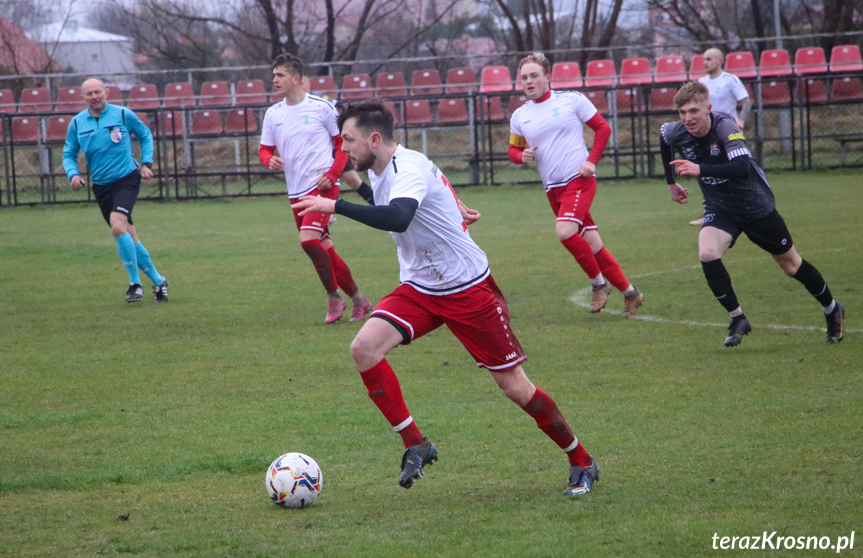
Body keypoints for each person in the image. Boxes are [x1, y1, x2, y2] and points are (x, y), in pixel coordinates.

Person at [292, 98, 600, 497]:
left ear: (373, 138)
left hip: (468, 291)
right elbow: (419, 189)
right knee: (364, 348)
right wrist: (453, 203)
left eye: (348, 140)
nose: (343, 149)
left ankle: (582, 460)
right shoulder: (387, 169)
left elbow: (399, 215)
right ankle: (415, 443)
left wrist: (334, 204)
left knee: (515, 388)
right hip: (421, 288)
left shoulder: (409, 166)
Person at [660, 81, 844, 346]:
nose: (687, 118)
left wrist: (700, 169)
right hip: (720, 208)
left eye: (693, 111)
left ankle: (832, 308)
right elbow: (664, 139)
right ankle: (738, 318)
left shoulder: (726, 127)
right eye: (682, 112)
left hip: (756, 207)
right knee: (708, 253)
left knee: (791, 265)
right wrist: (671, 183)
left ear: (708, 108)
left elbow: (742, 168)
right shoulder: (675, 130)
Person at [508, 52, 643, 317]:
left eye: (534, 75)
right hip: (553, 189)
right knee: (593, 245)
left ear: (548, 77)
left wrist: (591, 161)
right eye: (524, 77)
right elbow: (513, 150)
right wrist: (520, 156)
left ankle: (598, 285)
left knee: (565, 232)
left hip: (579, 181)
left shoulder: (572, 100)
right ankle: (631, 294)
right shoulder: (520, 115)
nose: (528, 81)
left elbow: (603, 128)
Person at [259, 53, 371, 324]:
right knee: (325, 248)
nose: (274, 80)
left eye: (280, 75)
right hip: (295, 191)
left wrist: (332, 175)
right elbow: (264, 150)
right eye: (274, 75)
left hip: (321, 187)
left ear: (296, 79)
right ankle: (359, 300)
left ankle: (334, 296)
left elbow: (341, 145)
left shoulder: (322, 108)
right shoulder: (273, 114)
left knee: (308, 240)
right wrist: (268, 159)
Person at [63, 77, 168, 304]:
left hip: (126, 179)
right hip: (101, 186)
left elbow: (145, 135)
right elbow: (69, 153)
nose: (94, 96)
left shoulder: (122, 114)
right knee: (129, 235)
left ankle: (135, 283)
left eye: (97, 92)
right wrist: (73, 174)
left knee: (117, 227)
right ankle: (159, 281)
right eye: (89, 93)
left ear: (106, 92)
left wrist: (146, 163)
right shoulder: (77, 123)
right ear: (83, 97)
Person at [689, 48, 754, 226]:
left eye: (709, 59)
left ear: (719, 61)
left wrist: (741, 120)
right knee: (707, 172)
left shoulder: (730, 80)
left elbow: (746, 102)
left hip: (727, 133)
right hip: (706, 135)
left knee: (735, 170)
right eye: (703, 59)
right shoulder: (701, 83)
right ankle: (709, 212)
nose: (705, 62)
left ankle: (744, 206)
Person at [301, 75, 375, 206]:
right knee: (314, 181)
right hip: (312, 151)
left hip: (334, 148)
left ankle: (379, 205)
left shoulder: (320, 100)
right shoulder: (293, 107)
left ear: (308, 85)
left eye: (303, 84)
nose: (300, 87)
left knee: (352, 180)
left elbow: (339, 107)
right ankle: (322, 211)